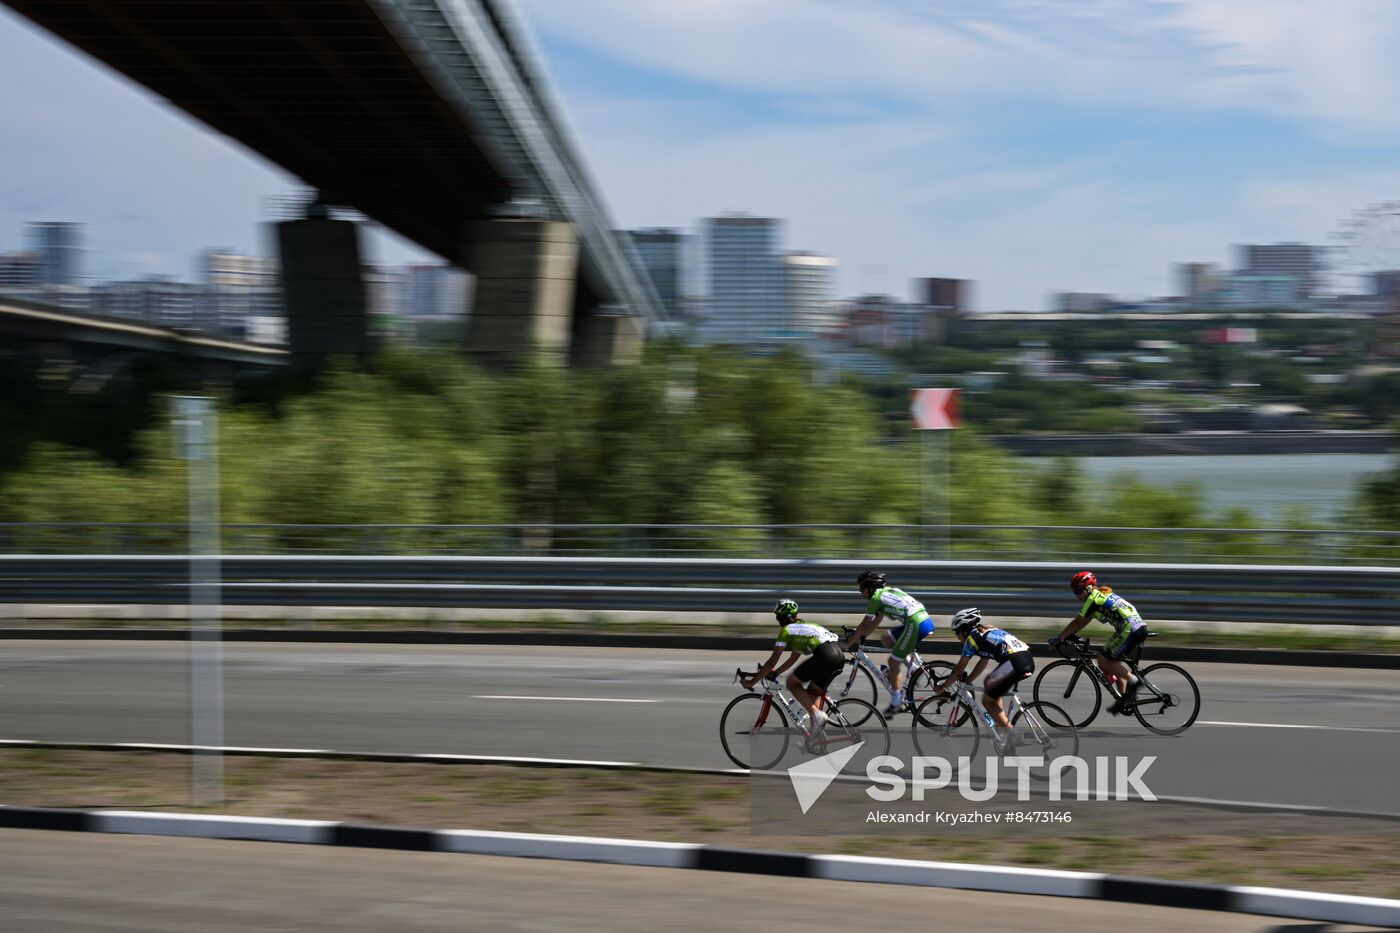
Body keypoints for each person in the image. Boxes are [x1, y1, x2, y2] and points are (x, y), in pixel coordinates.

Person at [739, 598, 845, 734]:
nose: (777, 621)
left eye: (778, 617)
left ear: (783, 618)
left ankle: (818, 715)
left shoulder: (787, 630)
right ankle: (817, 738)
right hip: (838, 656)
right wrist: (776, 673)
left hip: (825, 656)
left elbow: (771, 662)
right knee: (812, 694)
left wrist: (752, 682)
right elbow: (793, 658)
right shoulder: (802, 628)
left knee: (792, 682)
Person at [839, 570, 935, 718]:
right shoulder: (888, 593)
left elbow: (865, 624)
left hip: (915, 623)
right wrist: (861, 636)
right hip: (922, 620)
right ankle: (914, 669)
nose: (860, 593)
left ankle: (896, 703)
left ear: (869, 588)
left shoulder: (876, 599)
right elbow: (872, 625)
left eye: (861, 589)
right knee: (886, 639)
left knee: (893, 661)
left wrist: (848, 644)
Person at [936, 607, 1034, 751]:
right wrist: (968, 680)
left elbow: (958, 671)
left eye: (957, 633)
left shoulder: (972, 639)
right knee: (991, 685)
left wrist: (942, 687)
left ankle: (1012, 733)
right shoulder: (986, 632)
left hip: (1014, 662)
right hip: (1027, 659)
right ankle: (1002, 724)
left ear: (964, 629)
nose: (957, 637)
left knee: (986, 700)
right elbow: (983, 661)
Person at [1050, 570, 1148, 714]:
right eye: (1074, 592)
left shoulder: (1093, 600)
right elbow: (1084, 621)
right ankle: (1125, 700)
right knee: (1110, 662)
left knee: (1103, 660)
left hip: (1129, 629)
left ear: (1089, 588)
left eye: (1078, 591)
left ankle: (1134, 682)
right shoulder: (1100, 596)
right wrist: (1069, 634)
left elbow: (1078, 622)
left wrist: (1060, 638)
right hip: (1134, 627)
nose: (1077, 595)